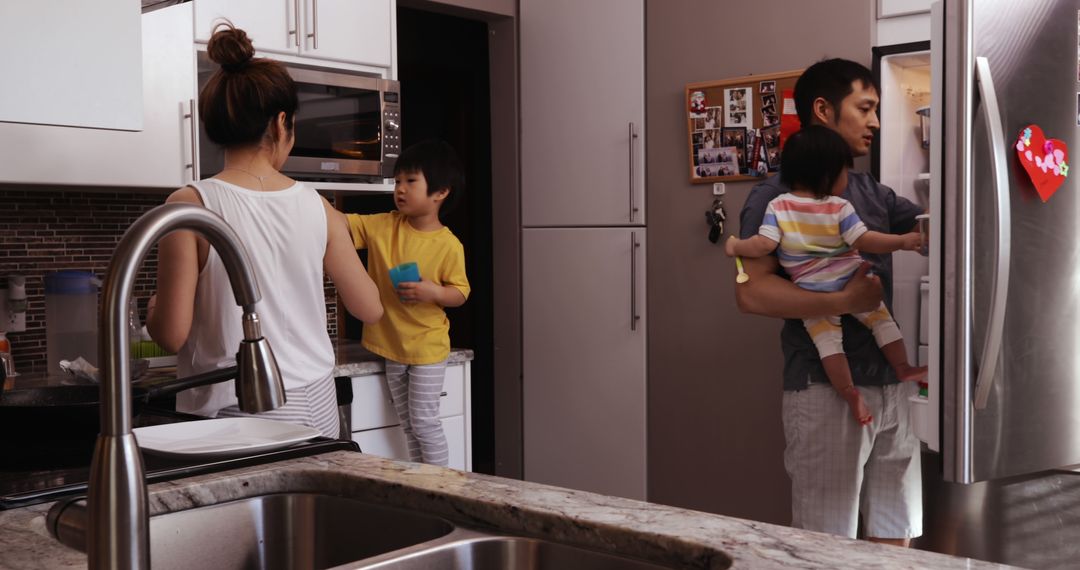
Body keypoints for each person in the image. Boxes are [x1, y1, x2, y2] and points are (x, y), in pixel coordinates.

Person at [147, 23, 383, 438]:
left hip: (233, 412)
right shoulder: (319, 207)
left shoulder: (190, 204)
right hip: (318, 405)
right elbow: (369, 309)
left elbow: (170, 335)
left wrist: (153, 313)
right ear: (280, 124)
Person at [734, 58, 925, 545]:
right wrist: (844, 297)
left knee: (895, 536)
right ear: (823, 109)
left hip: (891, 387)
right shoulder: (773, 197)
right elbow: (752, 292)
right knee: (825, 547)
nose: (876, 122)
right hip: (824, 388)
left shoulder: (868, 189)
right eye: (865, 108)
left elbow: (926, 227)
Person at [726, 125, 926, 426]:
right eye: (844, 172)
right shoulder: (839, 206)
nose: (873, 121)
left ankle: (849, 394)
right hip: (849, 280)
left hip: (812, 290)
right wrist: (902, 242)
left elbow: (763, 244)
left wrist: (734, 246)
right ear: (827, 176)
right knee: (884, 325)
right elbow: (864, 240)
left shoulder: (778, 206)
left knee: (829, 346)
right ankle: (903, 367)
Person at [346, 140, 470, 466]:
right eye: (397, 181)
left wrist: (434, 293)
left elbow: (460, 292)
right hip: (392, 347)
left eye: (410, 181)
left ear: (440, 192)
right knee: (410, 426)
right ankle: (421, 486)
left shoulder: (448, 245)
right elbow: (343, 224)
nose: (400, 189)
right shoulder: (384, 225)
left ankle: (442, 488)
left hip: (428, 349)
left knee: (426, 424)